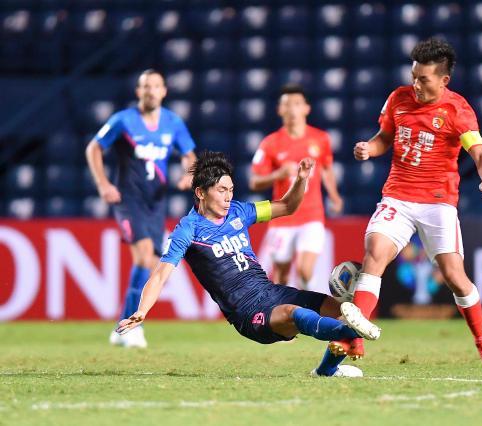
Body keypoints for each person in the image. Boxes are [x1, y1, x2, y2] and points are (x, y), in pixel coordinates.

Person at [116, 151, 381, 377]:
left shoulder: (240, 211)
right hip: (247, 312)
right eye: (221, 190)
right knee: (295, 313)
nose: (228, 196)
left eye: (231, 190)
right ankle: (350, 332)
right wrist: (142, 311)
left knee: (334, 307)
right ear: (200, 193)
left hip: (271, 291)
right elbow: (160, 275)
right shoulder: (188, 230)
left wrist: (301, 180)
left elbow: (287, 206)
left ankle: (327, 369)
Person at [331, 37, 482, 372]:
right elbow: (384, 138)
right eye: (413, 77)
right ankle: (354, 339)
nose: (416, 84)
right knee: (375, 253)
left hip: (438, 203)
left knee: (454, 276)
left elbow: (480, 153)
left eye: (424, 79)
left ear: (444, 80)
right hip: (398, 195)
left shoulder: (457, 110)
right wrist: (369, 149)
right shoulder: (398, 98)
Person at [86, 69, 196, 348]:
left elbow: (189, 155)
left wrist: (189, 174)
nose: (150, 91)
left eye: (156, 86)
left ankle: (121, 327)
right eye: (146, 86)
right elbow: (94, 148)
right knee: (145, 256)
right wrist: (103, 184)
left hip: (156, 202)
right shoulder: (123, 120)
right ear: (138, 91)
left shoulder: (173, 122)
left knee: (150, 264)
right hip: (129, 199)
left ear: (164, 91)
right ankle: (134, 327)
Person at [249, 84, 343, 289]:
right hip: (282, 218)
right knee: (281, 277)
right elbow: (254, 182)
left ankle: (308, 306)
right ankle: (286, 308)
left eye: (297, 104)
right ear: (279, 110)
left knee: (304, 270)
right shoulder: (270, 143)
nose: (292, 109)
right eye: (287, 104)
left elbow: (326, 169)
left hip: (312, 215)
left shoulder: (320, 139)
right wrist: (279, 174)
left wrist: (334, 195)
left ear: (306, 109)